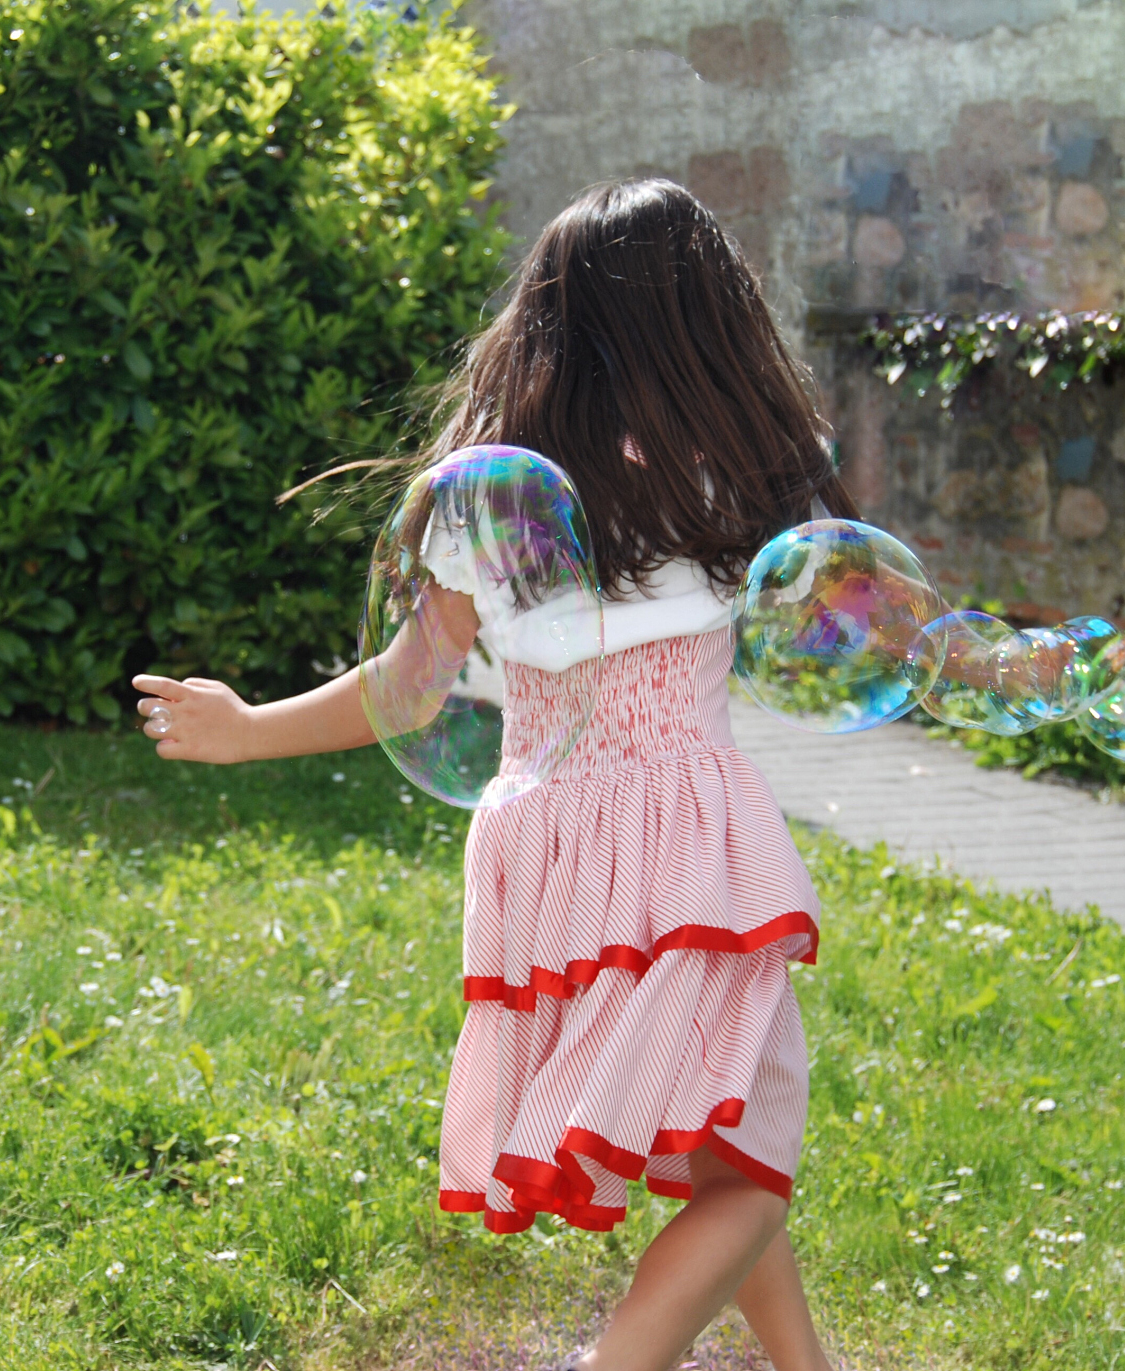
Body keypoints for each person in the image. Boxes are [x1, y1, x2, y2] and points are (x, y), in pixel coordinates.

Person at [131, 178, 848, 1371]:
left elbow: (409, 688)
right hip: (682, 842)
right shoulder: (731, 475)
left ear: (546, 329)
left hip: (546, 850)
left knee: (725, 1139)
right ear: (711, 326)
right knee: (754, 1151)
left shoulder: (485, 501)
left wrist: (248, 726)